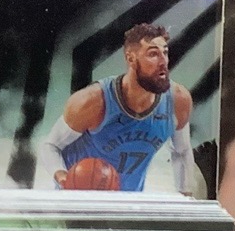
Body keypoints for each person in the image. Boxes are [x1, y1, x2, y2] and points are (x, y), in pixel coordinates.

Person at [38, 23, 197, 194]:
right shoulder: (92, 101)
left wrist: (185, 196)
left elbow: (182, 151)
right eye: (153, 54)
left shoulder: (178, 100)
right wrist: (63, 177)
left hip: (127, 201)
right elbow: (50, 146)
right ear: (131, 59)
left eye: (165, 52)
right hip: (79, 198)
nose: (163, 61)